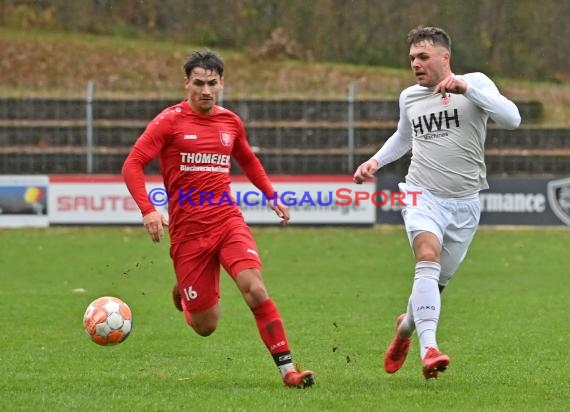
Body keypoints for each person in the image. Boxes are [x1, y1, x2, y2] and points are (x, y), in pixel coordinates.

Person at [122, 51, 315, 389]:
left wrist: (272, 196)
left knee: (254, 289)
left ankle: (288, 372)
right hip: (188, 233)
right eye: (199, 83)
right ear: (186, 83)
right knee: (205, 326)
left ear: (222, 83)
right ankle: (185, 293)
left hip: (227, 221)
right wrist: (148, 209)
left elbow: (248, 160)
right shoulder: (169, 121)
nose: (206, 90)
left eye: (213, 83)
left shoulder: (230, 122)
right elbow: (133, 164)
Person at [353, 26, 521, 379]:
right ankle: (430, 349)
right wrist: (375, 162)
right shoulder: (410, 97)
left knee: (435, 284)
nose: (416, 63)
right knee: (426, 256)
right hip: (420, 192)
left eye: (423, 56)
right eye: (412, 57)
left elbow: (512, 119)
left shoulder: (475, 82)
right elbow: (403, 137)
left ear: (445, 57)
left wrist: (468, 90)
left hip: (465, 202)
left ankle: (405, 329)